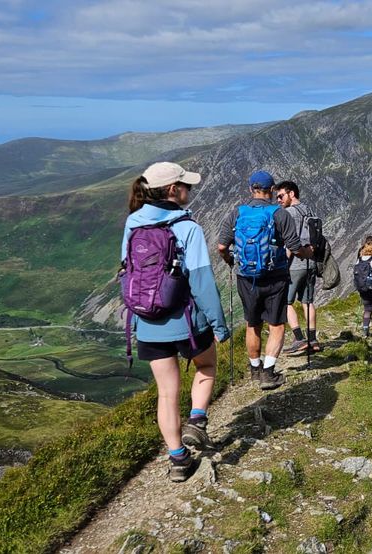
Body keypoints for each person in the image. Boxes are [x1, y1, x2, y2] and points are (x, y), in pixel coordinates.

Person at [122, 162, 230, 482]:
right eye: (186, 186)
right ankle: (197, 420)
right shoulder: (187, 227)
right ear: (173, 190)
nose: (189, 190)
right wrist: (219, 326)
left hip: (147, 323)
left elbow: (127, 270)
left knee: (167, 393)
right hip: (186, 321)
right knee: (207, 366)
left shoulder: (133, 223)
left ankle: (178, 460)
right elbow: (202, 283)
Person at [216, 170, 312, 391]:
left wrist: (231, 260)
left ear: (251, 189)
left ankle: (255, 369)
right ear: (271, 191)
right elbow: (295, 248)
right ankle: (269, 373)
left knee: (253, 324)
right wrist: (308, 253)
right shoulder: (279, 214)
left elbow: (222, 247)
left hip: (245, 277)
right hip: (275, 277)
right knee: (276, 325)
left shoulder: (237, 213)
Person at [273, 180, 321, 355]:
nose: (278, 199)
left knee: (286, 302)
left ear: (291, 194)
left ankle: (299, 338)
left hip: (294, 265)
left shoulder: (289, 213)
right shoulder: (309, 210)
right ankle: (313, 339)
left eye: (281, 195)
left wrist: (282, 265)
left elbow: (289, 243)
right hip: (311, 262)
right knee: (307, 302)